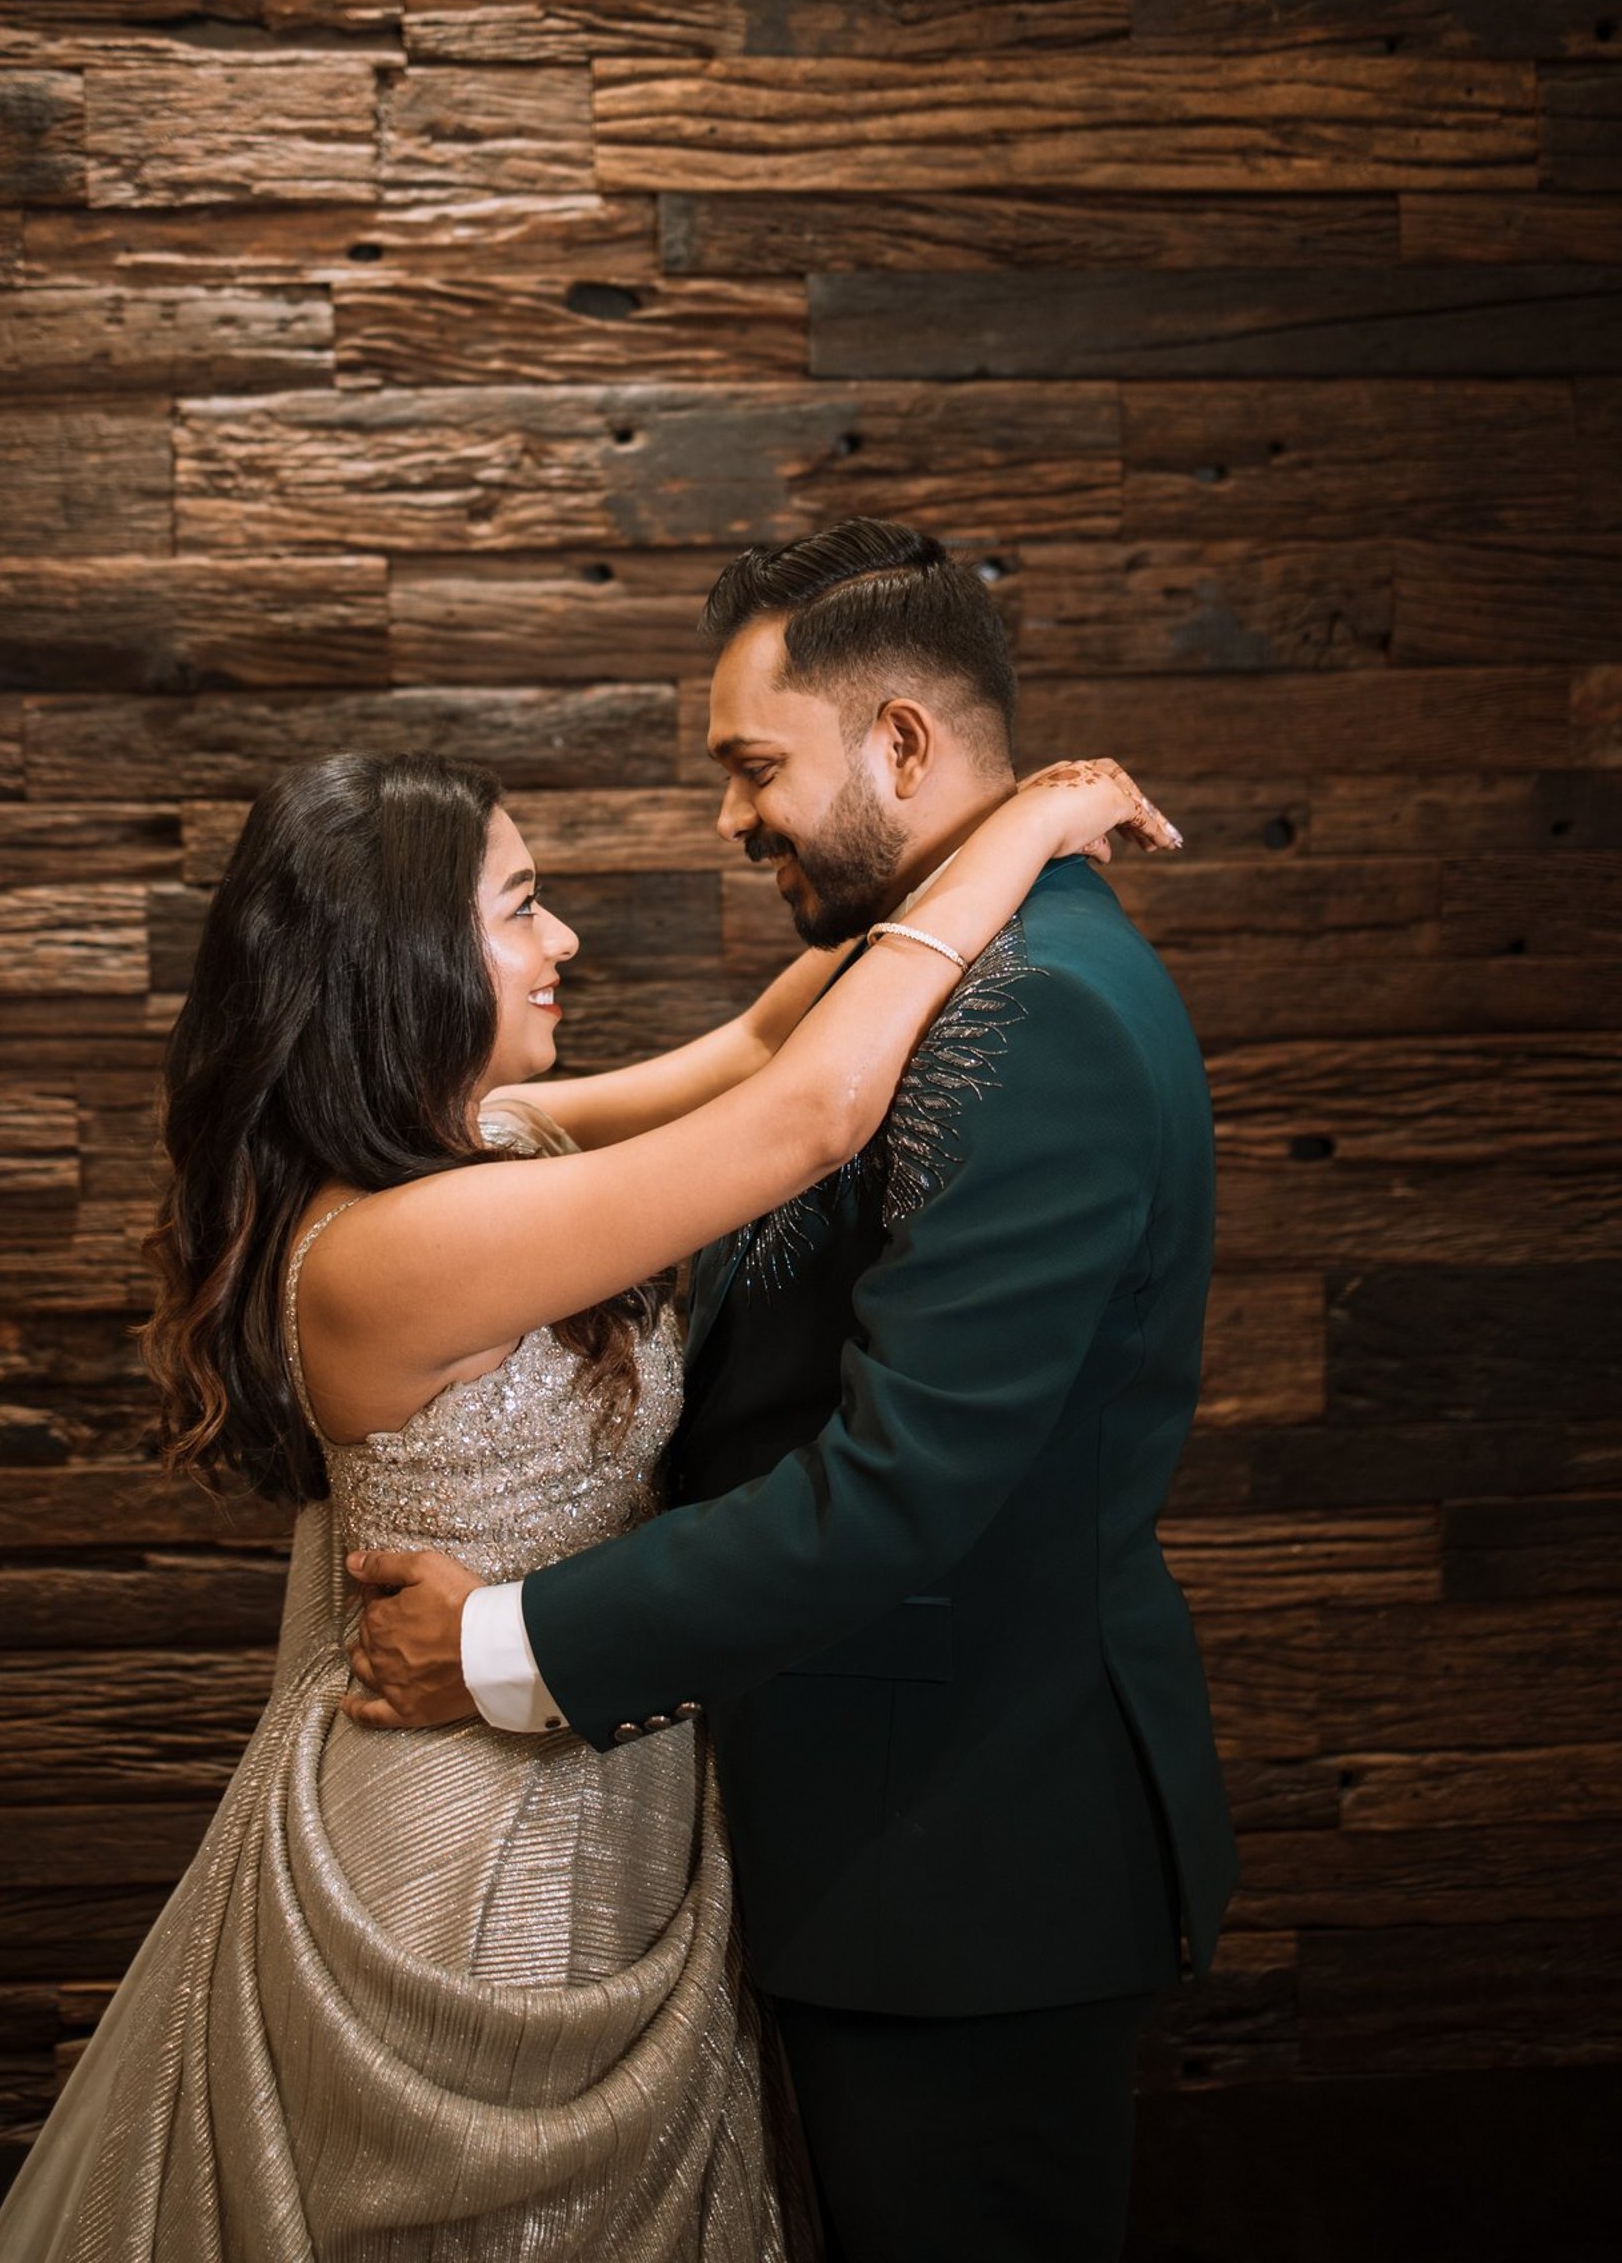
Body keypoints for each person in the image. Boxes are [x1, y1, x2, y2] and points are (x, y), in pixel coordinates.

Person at [0, 723, 1178, 2263]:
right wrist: (1044, 821)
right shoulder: (402, 1251)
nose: (566, 940)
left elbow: (756, 1048)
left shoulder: (476, 1149)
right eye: (521, 905)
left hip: (594, 1758)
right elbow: (803, 1113)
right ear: (405, 959)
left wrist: (968, 824)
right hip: (482, 1841)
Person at [350, 520, 1240, 2263]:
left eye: (754, 768)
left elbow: (900, 1488)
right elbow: (770, 1084)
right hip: (866, 1838)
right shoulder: (921, 974)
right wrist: (1039, 814)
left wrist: (499, 1649)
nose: (729, 817)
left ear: (899, 743)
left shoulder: (1036, 1010)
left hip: (978, 1861)